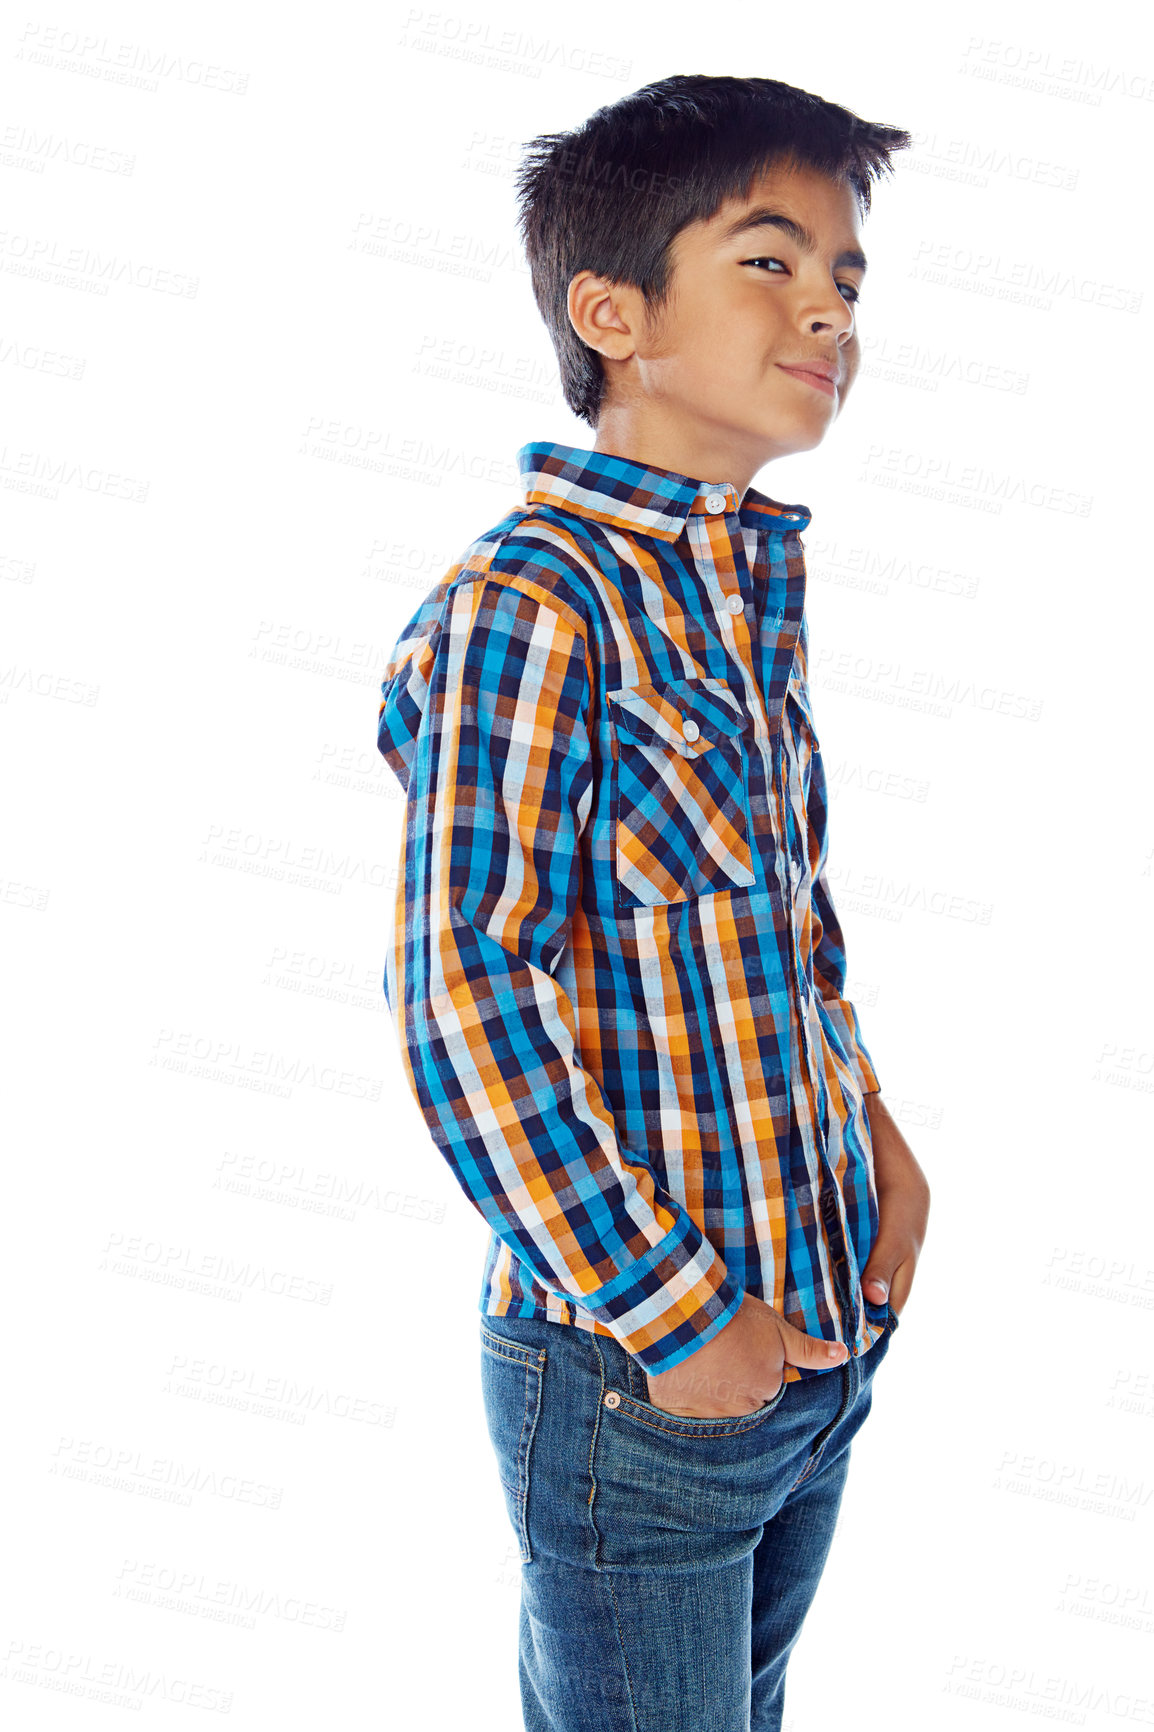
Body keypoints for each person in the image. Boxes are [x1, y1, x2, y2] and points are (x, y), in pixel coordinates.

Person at [376, 73, 931, 1732]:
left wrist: (882, 1150)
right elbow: (463, 992)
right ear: (607, 311)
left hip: (811, 1334)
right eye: (768, 262)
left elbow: (779, 930)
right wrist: (672, 1316)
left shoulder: (739, 578)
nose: (826, 303)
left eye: (844, 273)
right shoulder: (529, 608)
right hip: (646, 1372)